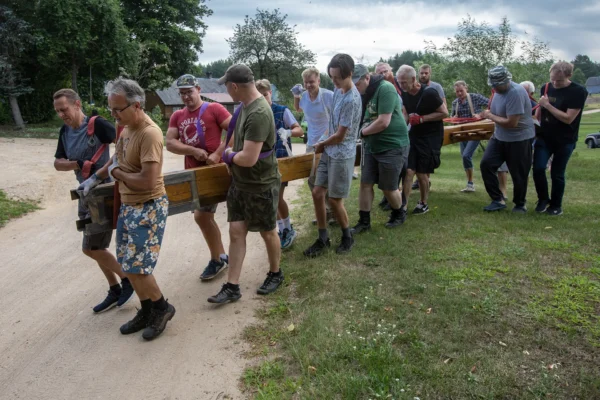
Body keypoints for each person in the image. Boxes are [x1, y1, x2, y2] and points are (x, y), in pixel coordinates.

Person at [78, 78, 175, 340]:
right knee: (128, 264)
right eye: (111, 109)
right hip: (129, 206)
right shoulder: (127, 128)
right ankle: (146, 309)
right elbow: (115, 158)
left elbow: (148, 180)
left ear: (137, 105)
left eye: (117, 110)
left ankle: (162, 308)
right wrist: (96, 177)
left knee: (140, 267)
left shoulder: (149, 133)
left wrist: (116, 173)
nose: (113, 115)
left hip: (149, 206)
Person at [53, 89, 134, 314]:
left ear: (77, 104)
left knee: (91, 248)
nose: (62, 114)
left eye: (64, 109)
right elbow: (58, 163)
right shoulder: (65, 131)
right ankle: (114, 288)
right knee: (96, 246)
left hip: (102, 193)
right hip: (84, 194)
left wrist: (103, 173)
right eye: (58, 111)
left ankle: (128, 280)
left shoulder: (98, 125)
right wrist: (77, 164)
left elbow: (123, 146)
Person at [207, 64, 284, 304]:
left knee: (268, 231)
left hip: (260, 184)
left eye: (227, 88)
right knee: (236, 231)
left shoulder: (259, 112)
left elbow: (249, 158)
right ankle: (232, 287)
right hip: (240, 184)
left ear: (234, 86)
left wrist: (228, 156)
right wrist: (229, 152)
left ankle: (275, 273)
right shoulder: (244, 107)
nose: (228, 92)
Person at [165, 74, 231, 281]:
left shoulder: (214, 109)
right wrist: (192, 151)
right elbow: (170, 143)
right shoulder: (177, 116)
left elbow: (236, 131)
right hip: (194, 172)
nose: (186, 97)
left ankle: (220, 259)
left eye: (189, 92)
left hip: (214, 171)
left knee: (203, 216)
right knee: (204, 217)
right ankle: (220, 257)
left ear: (198, 89)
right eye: (182, 93)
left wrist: (218, 153)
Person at [303, 53, 362, 257]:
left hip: (342, 154)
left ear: (350, 74)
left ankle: (347, 236)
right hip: (329, 151)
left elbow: (340, 136)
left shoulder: (352, 100)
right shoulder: (337, 92)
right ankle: (322, 238)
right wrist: (323, 141)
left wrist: (321, 144)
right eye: (332, 77)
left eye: (338, 77)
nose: (334, 81)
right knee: (318, 192)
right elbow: (332, 125)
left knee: (335, 200)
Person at [351, 64, 409, 233]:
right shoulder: (362, 93)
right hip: (371, 144)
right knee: (365, 183)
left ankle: (399, 213)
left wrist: (361, 132)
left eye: (358, 83)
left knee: (388, 187)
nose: (355, 87)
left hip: (392, 144)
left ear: (367, 78)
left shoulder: (386, 88)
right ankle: (364, 221)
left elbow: (384, 121)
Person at [477, 66, 535, 213]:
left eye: (497, 85)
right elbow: (498, 114)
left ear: (506, 81)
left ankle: (520, 204)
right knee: (486, 164)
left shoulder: (515, 93)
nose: (494, 88)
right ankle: (498, 200)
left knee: (519, 173)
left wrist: (489, 116)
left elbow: (511, 123)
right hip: (499, 137)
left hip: (519, 138)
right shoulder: (497, 92)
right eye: (493, 85)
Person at [533, 61, 588, 215]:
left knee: (557, 173)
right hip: (544, 136)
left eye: (559, 80)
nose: (555, 83)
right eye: (552, 79)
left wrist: (548, 105)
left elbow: (568, 118)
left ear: (569, 76)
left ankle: (556, 206)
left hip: (565, 139)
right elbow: (541, 111)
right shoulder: (546, 87)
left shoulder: (578, 91)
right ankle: (543, 199)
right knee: (538, 168)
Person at [256, 79, 304, 248]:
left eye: (265, 94)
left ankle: (288, 229)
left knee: (276, 197)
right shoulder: (255, 113)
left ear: (270, 93)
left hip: (281, 161)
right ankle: (282, 228)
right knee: (270, 198)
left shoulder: (281, 111)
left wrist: (289, 132)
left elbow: (299, 130)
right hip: (262, 163)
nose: (262, 98)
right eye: (259, 95)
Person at [396, 65, 448, 215]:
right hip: (414, 135)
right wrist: (401, 128)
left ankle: (423, 203)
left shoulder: (430, 93)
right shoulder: (404, 93)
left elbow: (444, 112)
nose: (401, 85)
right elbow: (406, 113)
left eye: (404, 82)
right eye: (399, 82)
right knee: (409, 170)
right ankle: (403, 206)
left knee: (421, 172)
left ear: (413, 79)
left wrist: (422, 119)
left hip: (430, 136)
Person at [291, 67, 335, 224]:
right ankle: (326, 211)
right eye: (306, 82)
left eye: (311, 82)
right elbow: (298, 108)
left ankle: (330, 212)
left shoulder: (328, 95)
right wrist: (296, 96)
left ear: (318, 81)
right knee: (313, 179)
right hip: (311, 143)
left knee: (320, 179)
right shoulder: (304, 96)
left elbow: (337, 118)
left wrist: (326, 137)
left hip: (328, 142)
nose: (309, 85)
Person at [451, 81, 490, 192]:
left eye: (461, 91)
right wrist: (454, 118)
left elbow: (491, 104)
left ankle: (471, 184)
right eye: (457, 91)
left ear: (466, 88)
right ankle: (470, 183)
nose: (459, 93)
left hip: (476, 132)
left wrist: (481, 115)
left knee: (466, 155)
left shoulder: (475, 97)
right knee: (464, 157)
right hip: (462, 133)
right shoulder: (455, 103)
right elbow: (452, 116)